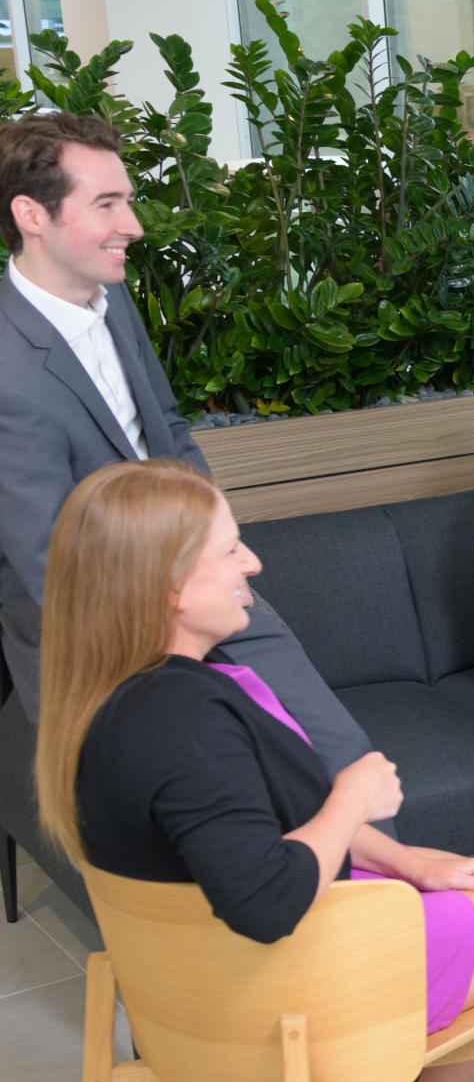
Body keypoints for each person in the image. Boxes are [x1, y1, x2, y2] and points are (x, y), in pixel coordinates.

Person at [35, 458, 474, 1082]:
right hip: (283, 992)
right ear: (170, 586)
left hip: (199, 988)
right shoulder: (181, 724)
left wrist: (410, 861)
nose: (252, 564)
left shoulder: (129, 695)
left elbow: (274, 826)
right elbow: (266, 901)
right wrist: (351, 798)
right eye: (230, 549)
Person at [0, 111, 376, 788]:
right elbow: (50, 565)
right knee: (210, 810)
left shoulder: (112, 298)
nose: (133, 226)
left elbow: (169, 432)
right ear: (31, 214)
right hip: (99, 638)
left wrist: (218, 557)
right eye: (106, 204)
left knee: (346, 765)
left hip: (205, 588)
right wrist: (182, 626)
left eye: (128, 200)